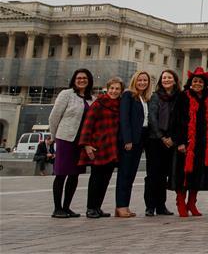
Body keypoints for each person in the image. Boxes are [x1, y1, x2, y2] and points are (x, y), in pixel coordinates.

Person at [48, 68, 95, 218]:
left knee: (74, 175)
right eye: (79, 78)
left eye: (85, 78)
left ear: (89, 81)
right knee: (61, 173)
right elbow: (54, 117)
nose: (82, 80)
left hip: (81, 141)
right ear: (74, 80)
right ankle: (57, 208)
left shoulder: (91, 99)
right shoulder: (66, 94)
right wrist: (55, 136)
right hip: (65, 138)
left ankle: (67, 207)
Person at [79, 77, 124, 219]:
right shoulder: (98, 103)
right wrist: (86, 145)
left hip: (112, 145)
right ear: (107, 88)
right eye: (112, 88)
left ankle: (98, 207)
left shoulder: (120, 105)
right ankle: (90, 207)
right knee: (96, 178)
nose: (114, 91)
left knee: (106, 178)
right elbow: (88, 124)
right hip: (98, 145)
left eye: (117, 89)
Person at [172, 67, 208, 217]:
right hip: (187, 141)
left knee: (198, 174)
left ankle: (192, 203)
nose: (198, 83)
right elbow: (176, 121)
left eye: (200, 81)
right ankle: (180, 202)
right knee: (183, 173)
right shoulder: (183, 97)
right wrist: (180, 142)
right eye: (195, 81)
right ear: (190, 82)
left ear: (205, 84)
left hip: (202, 141)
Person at [116, 70, 152, 218]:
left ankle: (125, 205)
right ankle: (121, 206)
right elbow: (124, 119)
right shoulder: (128, 96)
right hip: (130, 140)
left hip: (140, 139)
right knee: (124, 174)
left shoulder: (144, 98)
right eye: (140, 80)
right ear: (134, 81)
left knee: (131, 174)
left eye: (145, 80)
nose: (142, 83)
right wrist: (127, 140)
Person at [145, 69, 180, 217]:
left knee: (164, 174)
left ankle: (161, 205)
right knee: (153, 174)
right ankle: (150, 205)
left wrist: (172, 138)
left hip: (171, 140)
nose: (166, 80)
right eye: (164, 78)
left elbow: (179, 118)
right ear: (160, 81)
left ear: (175, 80)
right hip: (155, 139)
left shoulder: (178, 97)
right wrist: (162, 137)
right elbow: (152, 118)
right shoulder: (155, 97)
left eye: (169, 77)